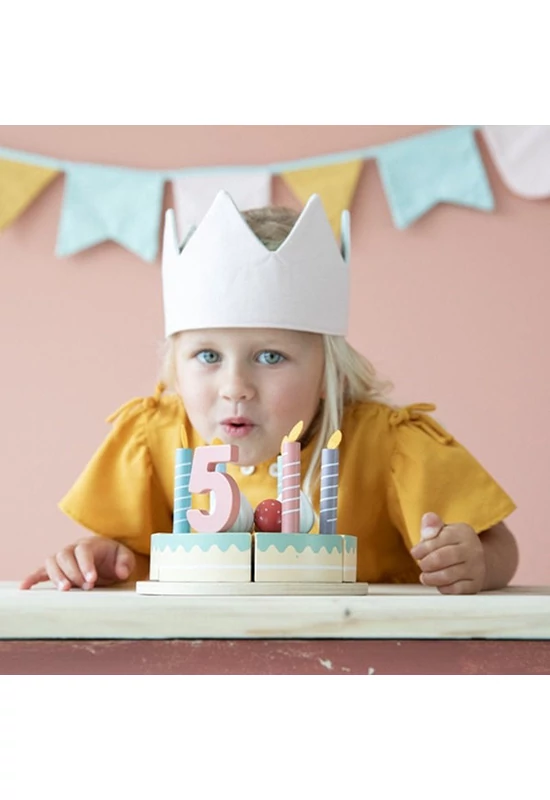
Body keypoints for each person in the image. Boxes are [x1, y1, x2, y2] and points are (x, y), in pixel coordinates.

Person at [21, 192, 518, 594]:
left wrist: (473, 560)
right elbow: (136, 556)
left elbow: (499, 546)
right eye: (208, 356)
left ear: (331, 370)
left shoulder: (389, 447)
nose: (235, 388)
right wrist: (104, 558)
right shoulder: (154, 439)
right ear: (176, 363)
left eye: (270, 357)